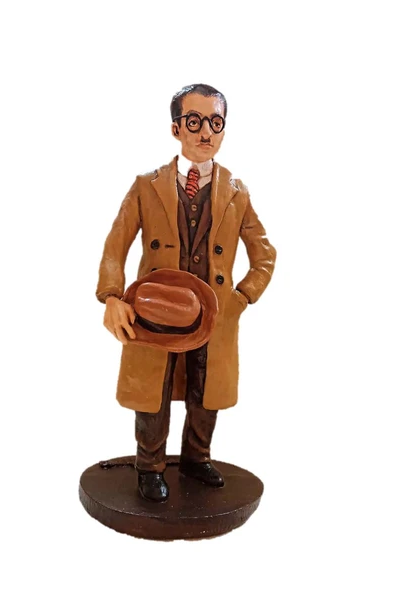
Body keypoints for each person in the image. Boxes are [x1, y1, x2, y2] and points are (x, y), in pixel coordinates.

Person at [96, 83, 276, 501]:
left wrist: (241, 298)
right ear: (176, 128)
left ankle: (197, 458)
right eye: (194, 121)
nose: (205, 132)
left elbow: (264, 253)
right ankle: (149, 465)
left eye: (215, 122)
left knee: (205, 388)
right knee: (152, 391)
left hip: (213, 315)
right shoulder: (146, 186)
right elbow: (115, 245)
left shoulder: (237, 192)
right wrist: (112, 296)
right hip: (155, 311)